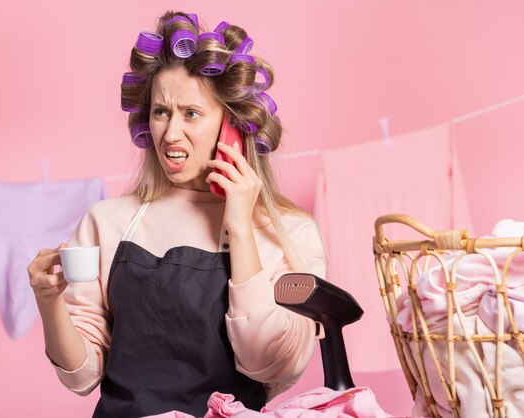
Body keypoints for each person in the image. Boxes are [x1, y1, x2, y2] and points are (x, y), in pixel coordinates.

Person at [27, 10, 327, 417]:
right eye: (160, 112)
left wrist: (238, 224)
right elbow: (81, 377)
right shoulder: (108, 221)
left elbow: (270, 363)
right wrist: (49, 301)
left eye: (191, 113)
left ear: (233, 127)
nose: (170, 134)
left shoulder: (290, 232)